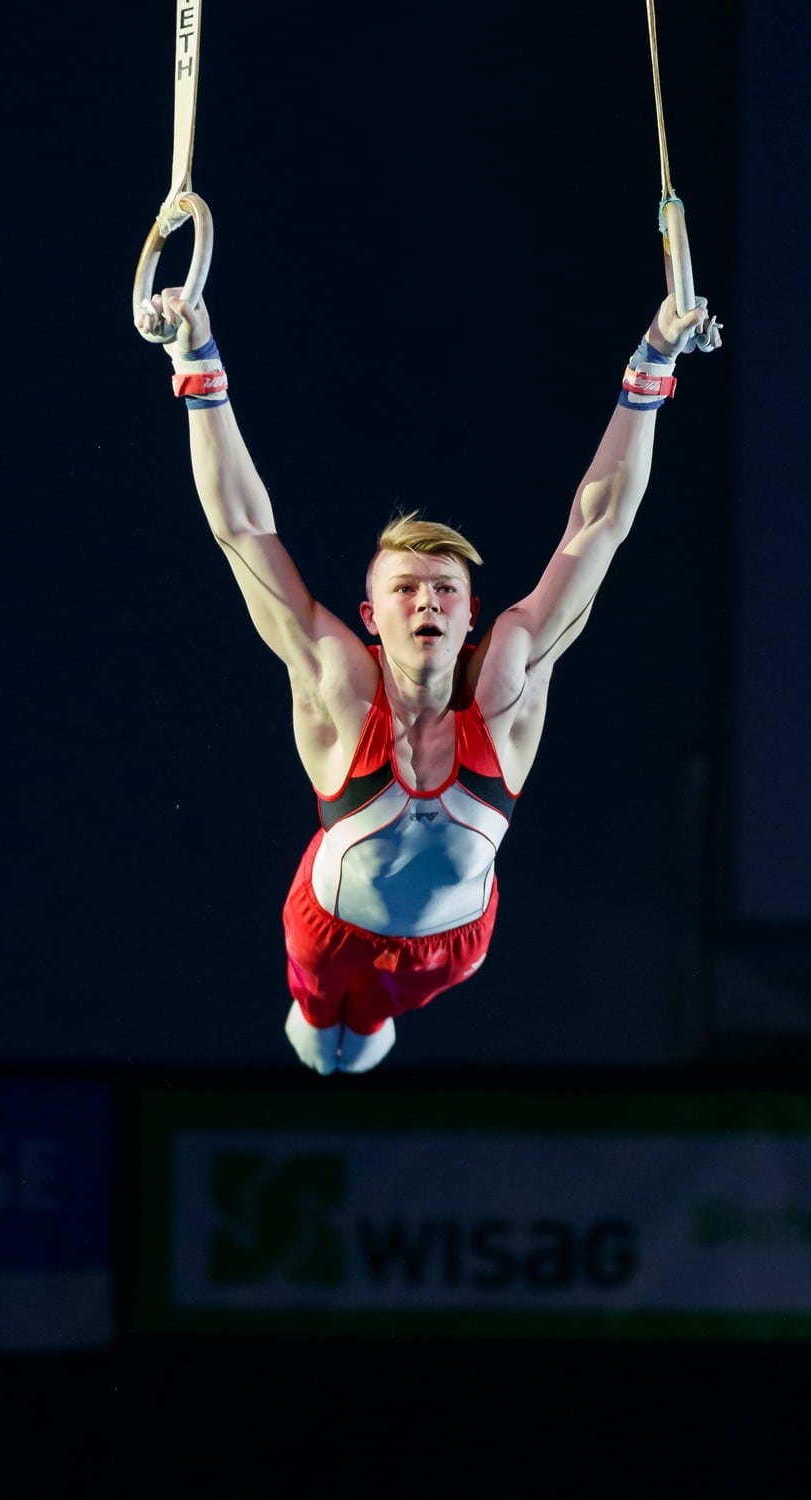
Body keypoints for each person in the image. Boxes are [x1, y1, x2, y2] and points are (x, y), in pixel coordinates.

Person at [137, 284, 718, 1075]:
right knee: (324, 1042)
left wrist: (653, 360)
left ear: (469, 613)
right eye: (404, 589)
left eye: (444, 589)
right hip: (327, 927)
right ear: (369, 617)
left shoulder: (509, 680)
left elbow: (601, 526)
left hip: (453, 948)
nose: (426, 602)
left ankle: (368, 1025)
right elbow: (242, 528)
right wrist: (196, 363)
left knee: (369, 1034)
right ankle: (323, 1021)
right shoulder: (336, 680)